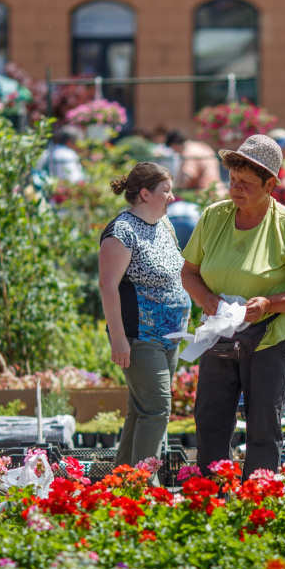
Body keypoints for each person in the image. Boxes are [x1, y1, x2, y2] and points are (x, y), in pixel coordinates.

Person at [180, 135, 285, 478]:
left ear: (270, 184)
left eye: (246, 183)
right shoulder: (214, 217)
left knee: (263, 426)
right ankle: (212, 495)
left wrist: (268, 303)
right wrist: (206, 299)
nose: (235, 188)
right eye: (232, 180)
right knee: (210, 422)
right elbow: (190, 272)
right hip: (218, 337)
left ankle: (258, 500)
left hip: (268, 340)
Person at [98, 163, 190, 467]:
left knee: (141, 410)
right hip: (141, 336)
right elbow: (108, 286)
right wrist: (119, 340)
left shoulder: (164, 226)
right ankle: (144, 486)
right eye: (166, 191)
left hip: (170, 335)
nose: (173, 198)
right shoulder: (121, 231)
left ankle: (123, 483)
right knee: (157, 410)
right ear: (145, 193)